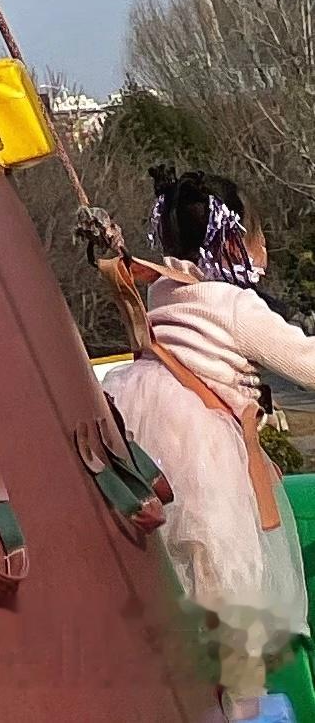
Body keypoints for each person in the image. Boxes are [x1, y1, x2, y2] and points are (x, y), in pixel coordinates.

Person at [107, 172, 315, 717]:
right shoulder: (232, 305)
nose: (265, 249)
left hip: (146, 434)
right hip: (207, 455)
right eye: (258, 237)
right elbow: (307, 364)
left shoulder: (162, 287)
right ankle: (245, 712)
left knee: (185, 602)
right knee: (235, 604)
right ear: (233, 241)